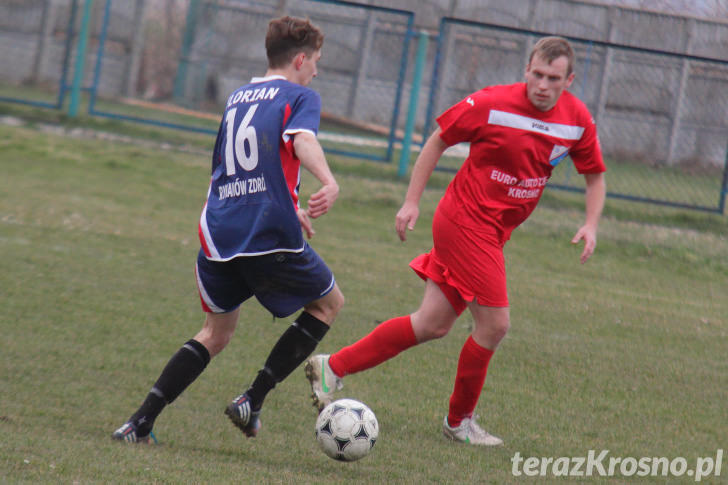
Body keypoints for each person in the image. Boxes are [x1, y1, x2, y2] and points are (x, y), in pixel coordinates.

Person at [305, 36, 606, 446]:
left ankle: (332, 367)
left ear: (568, 80)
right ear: (526, 70)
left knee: (431, 324)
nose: (542, 84)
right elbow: (438, 141)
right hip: (466, 222)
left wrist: (591, 223)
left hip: (494, 232)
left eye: (553, 78)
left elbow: (594, 175)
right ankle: (458, 422)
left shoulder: (577, 119)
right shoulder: (492, 103)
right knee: (495, 325)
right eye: (536, 74)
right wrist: (411, 202)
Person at [112, 15, 343, 443]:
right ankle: (252, 399)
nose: (317, 70)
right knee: (328, 303)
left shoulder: (238, 97)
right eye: (316, 61)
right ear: (299, 59)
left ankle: (138, 423)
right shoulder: (299, 95)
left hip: (218, 231)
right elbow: (302, 141)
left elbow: (233, 167)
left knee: (215, 333)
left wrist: (289, 204)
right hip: (264, 232)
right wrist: (328, 181)